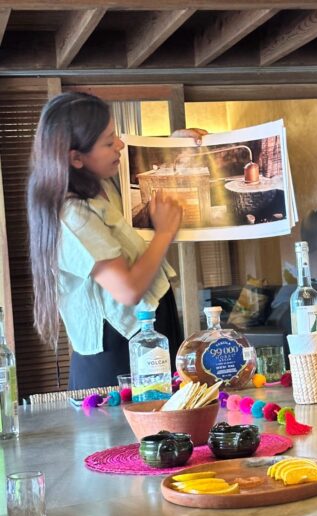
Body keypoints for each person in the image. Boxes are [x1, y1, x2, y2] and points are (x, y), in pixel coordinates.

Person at [27, 91, 207, 390]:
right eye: (109, 142)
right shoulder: (72, 214)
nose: (120, 146)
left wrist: (171, 145)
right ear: (76, 158)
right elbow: (128, 290)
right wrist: (164, 232)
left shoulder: (98, 182)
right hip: (117, 348)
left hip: (148, 326)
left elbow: (138, 169)